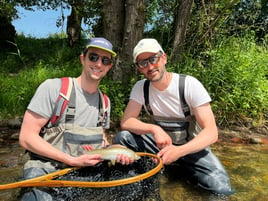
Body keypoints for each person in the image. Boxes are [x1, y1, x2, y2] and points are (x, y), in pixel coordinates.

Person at [113, 38, 234, 195]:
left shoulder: (189, 85)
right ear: (139, 68)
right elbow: (126, 121)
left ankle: (178, 168)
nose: (149, 66)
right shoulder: (140, 88)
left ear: (164, 58)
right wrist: (154, 128)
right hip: (159, 149)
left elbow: (211, 132)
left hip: (192, 149)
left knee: (221, 190)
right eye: (143, 63)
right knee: (123, 137)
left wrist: (180, 151)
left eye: (153, 59)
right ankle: (135, 178)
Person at [19, 37, 133, 201]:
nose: (98, 64)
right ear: (83, 59)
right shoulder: (54, 89)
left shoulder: (105, 102)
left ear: (110, 66)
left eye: (105, 60)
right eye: (93, 57)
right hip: (48, 169)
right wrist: (71, 160)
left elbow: (101, 138)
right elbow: (26, 137)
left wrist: (115, 150)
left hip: (85, 173)